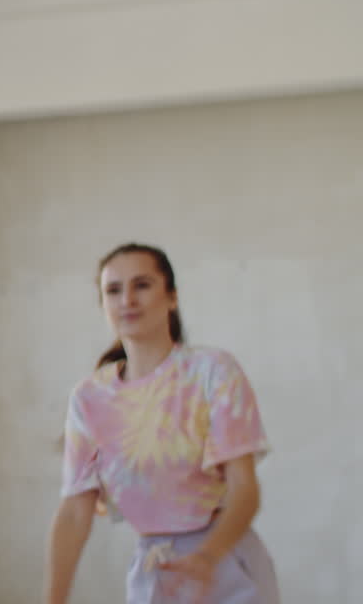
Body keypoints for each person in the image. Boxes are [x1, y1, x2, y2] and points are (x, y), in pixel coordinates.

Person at [46, 243, 279, 604]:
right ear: (103, 306)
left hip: (227, 563)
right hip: (155, 572)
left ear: (172, 297)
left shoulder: (213, 372)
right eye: (113, 290)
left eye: (142, 285)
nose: (127, 300)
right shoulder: (89, 398)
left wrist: (207, 557)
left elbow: (245, 491)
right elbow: (76, 512)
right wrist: (54, 599)